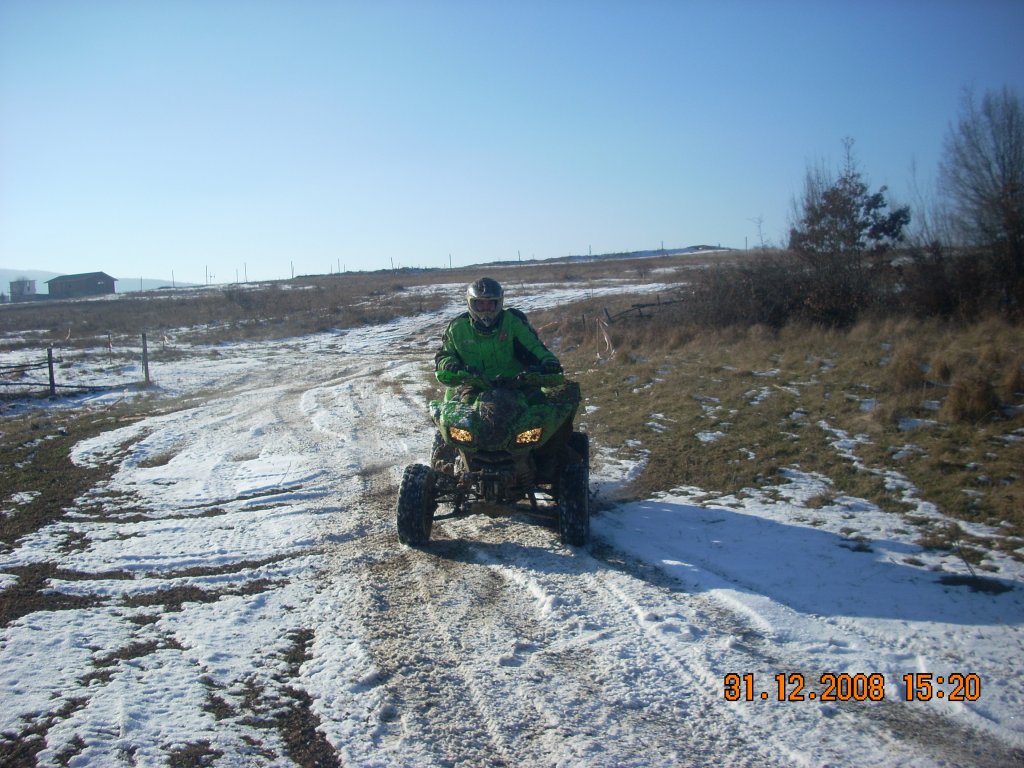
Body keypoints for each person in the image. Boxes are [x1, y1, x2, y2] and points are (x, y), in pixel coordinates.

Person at [434, 277, 564, 388]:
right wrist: (448, 364)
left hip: (516, 385)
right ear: (471, 304)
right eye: (481, 304)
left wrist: (548, 361)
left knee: (545, 407)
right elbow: (444, 354)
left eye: (490, 304)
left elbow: (534, 346)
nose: (486, 309)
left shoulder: (512, 322)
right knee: (460, 411)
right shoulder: (457, 328)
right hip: (474, 386)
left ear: (499, 303)